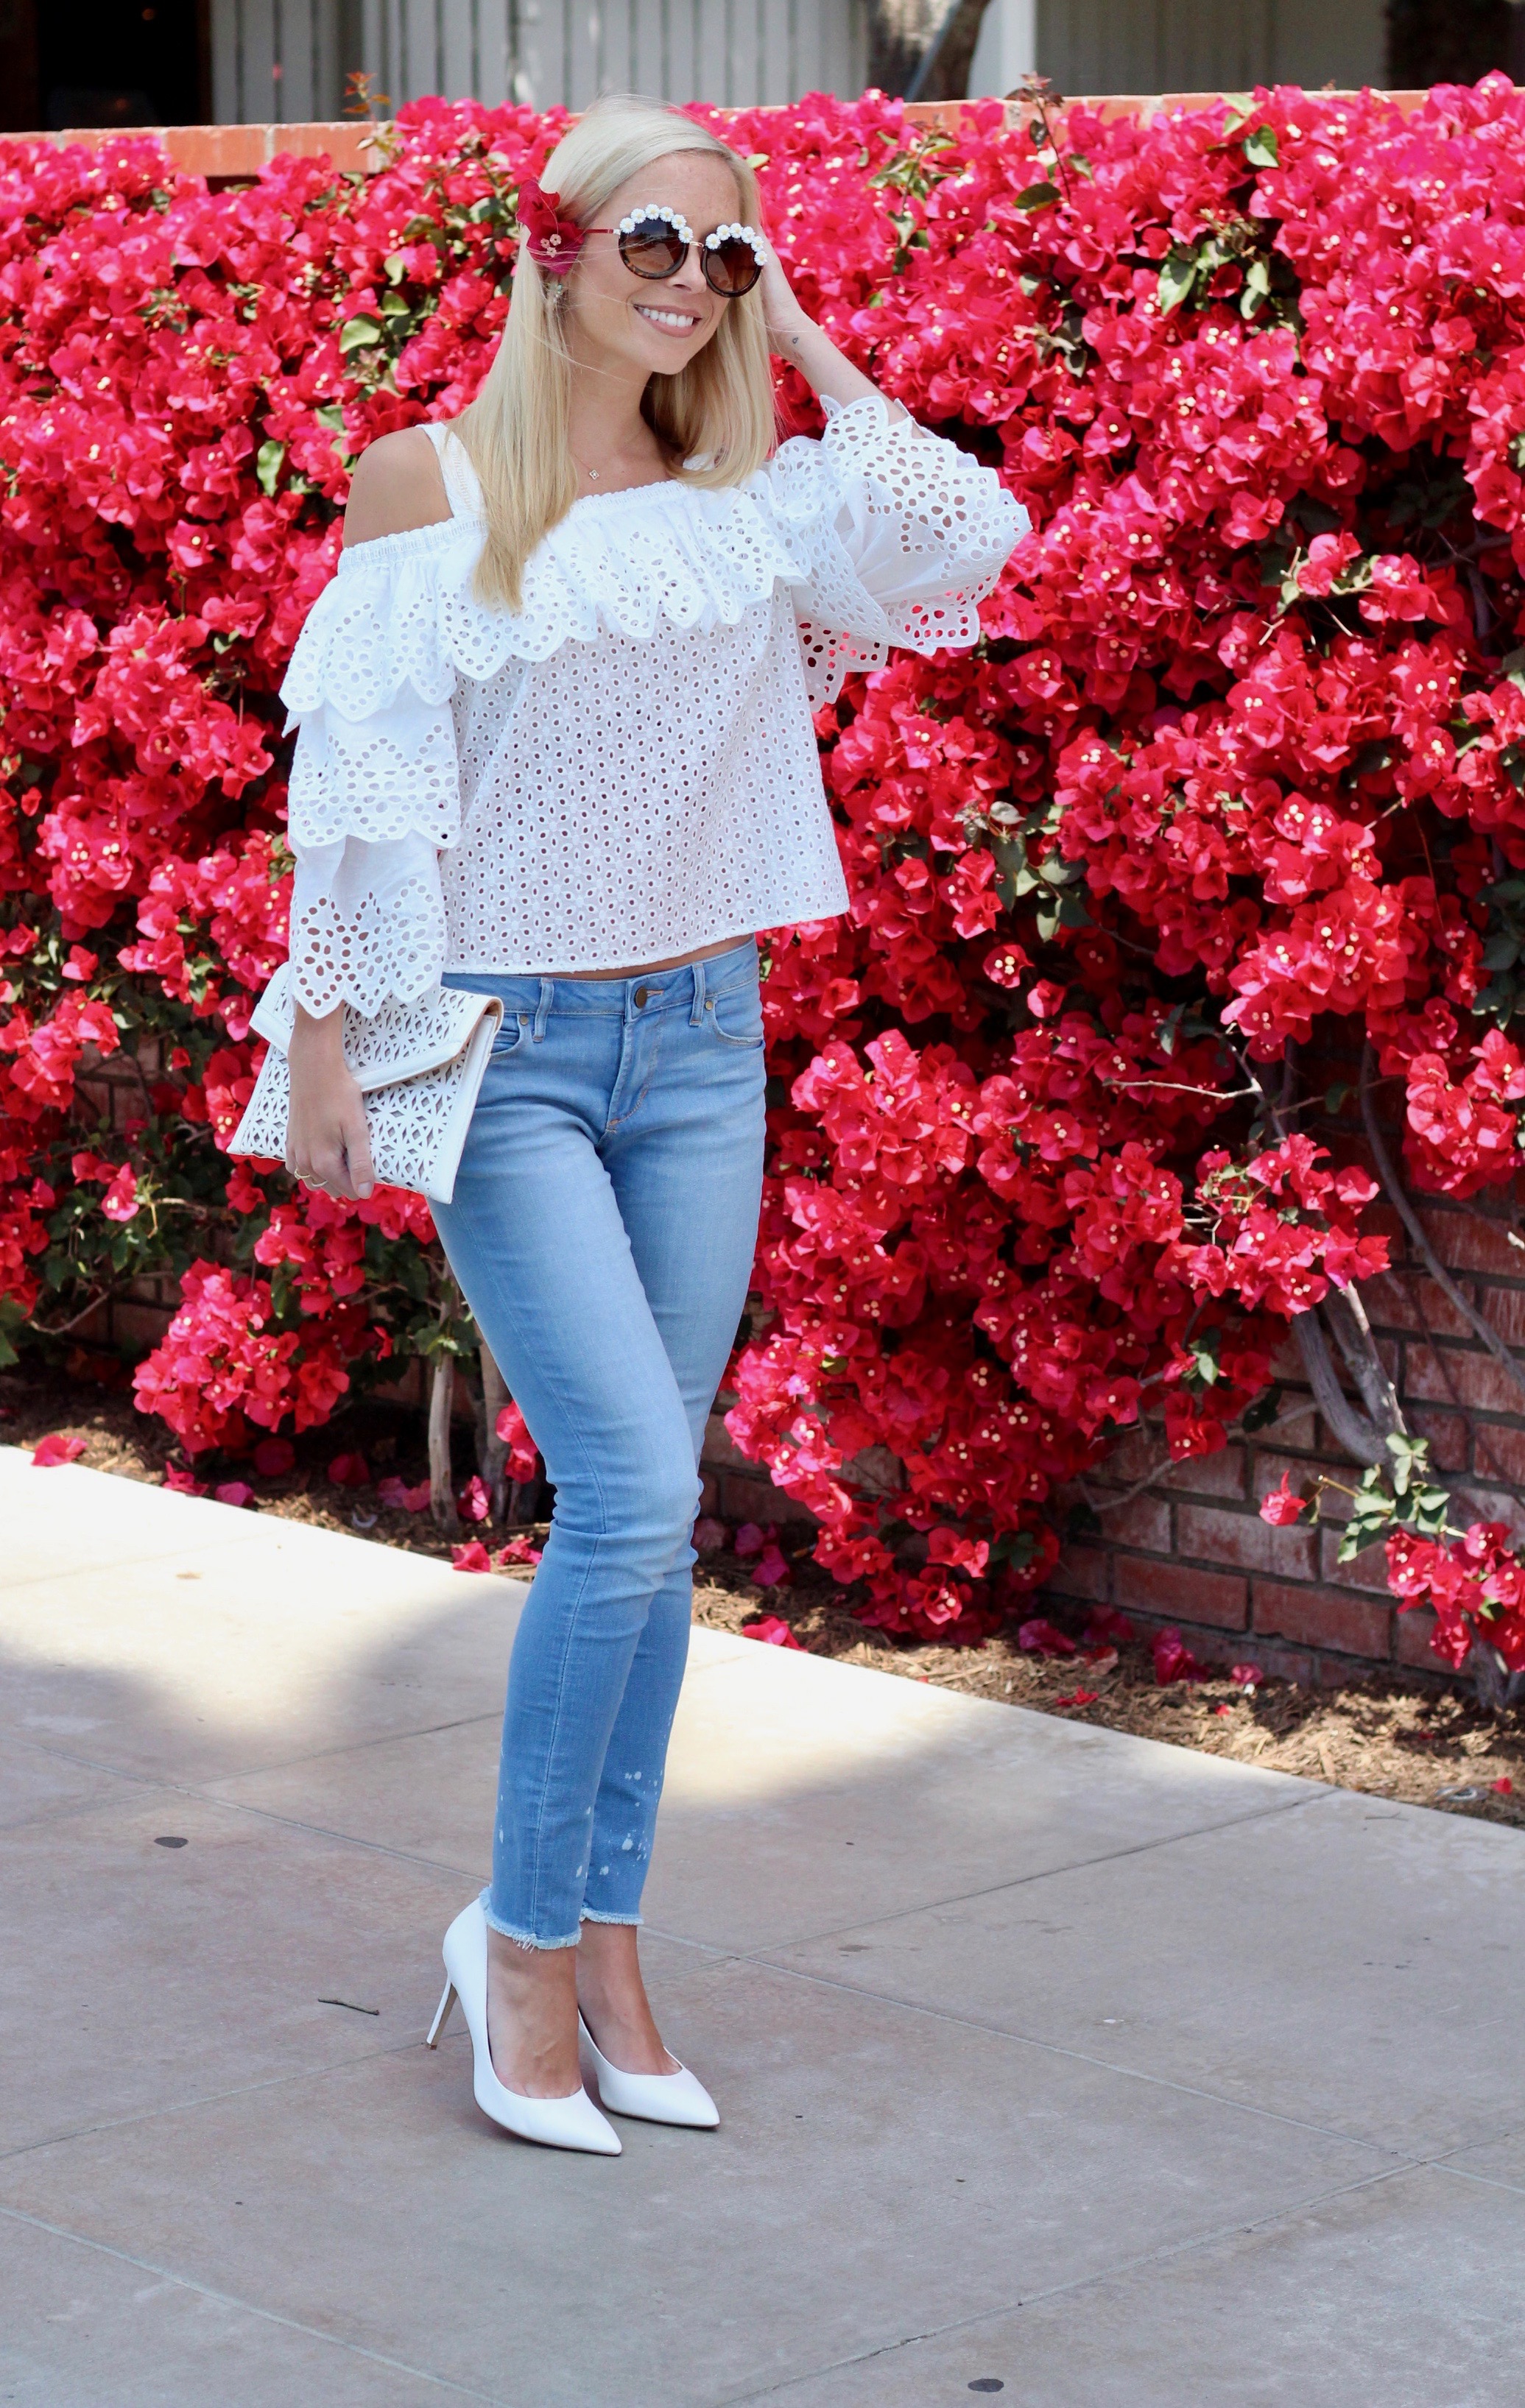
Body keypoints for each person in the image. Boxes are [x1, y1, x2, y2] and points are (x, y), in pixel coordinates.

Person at [281, 91, 1024, 2154]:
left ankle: (607, 1946)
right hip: (509, 1056)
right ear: (555, 257)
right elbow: (359, 778)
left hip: (707, 1046)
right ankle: (516, 1945)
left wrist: (818, 342)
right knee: (625, 1497)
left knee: (657, 1515)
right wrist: (330, 1039)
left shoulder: (768, 505)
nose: (692, 287)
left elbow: (972, 539)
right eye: (655, 249)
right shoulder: (430, 487)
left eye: (729, 255)